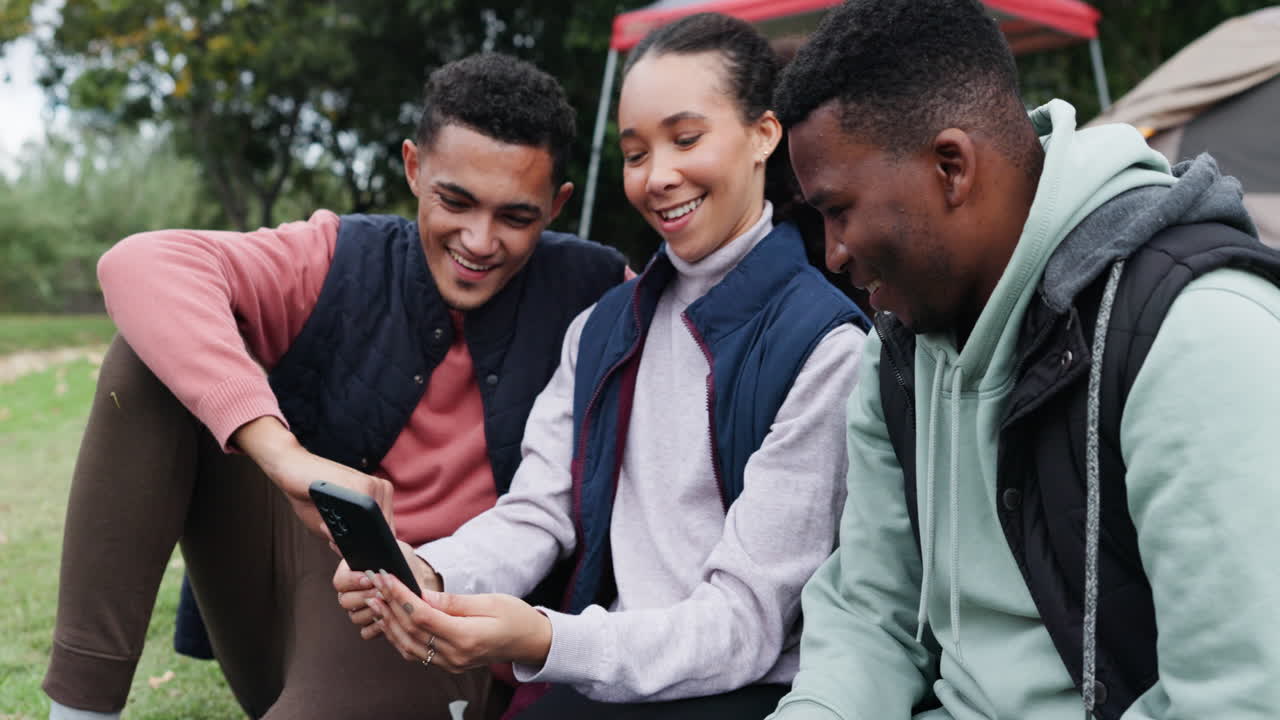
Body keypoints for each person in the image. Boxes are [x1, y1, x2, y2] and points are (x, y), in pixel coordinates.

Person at [42, 53, 629, 720]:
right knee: (147, 359)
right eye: (455, 201)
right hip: (292, 596)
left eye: (516, 217)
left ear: (557, 205)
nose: (479, 240)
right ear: (413, 168)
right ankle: (81, 713)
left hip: (439, 630)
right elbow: (139, 262)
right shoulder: (339, 258)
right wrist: (285, 457)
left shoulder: (600, 294)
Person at [333, 13, 869, 719]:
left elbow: (744, 626)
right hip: (603, 674)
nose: (658, 177)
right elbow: (536, 513)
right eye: (635, 152)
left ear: (764, 135)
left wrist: (549, 637)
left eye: (686, 139)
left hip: (750, 692)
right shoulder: (603, 328)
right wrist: (430, 570)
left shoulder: (826, 348)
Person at [766, 1, 1280, 719]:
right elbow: (870, 613)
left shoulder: (1195, 334)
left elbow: (1239, 697)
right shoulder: (899, 348)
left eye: (839, 210)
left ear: (951, 168)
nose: (833, 254)